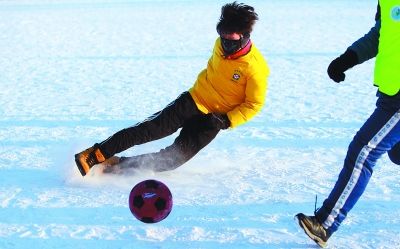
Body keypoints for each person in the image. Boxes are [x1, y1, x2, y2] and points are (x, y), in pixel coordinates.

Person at [74, 2, 269, 176]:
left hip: (214, 120)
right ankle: (94, 154)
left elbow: (254, 104)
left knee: (173, 159)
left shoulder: (255, 68)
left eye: (231, 39)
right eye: (222, 36)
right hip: (192, 101)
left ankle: (115, 166)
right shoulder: (220, 44)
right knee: (146, 131)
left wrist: (226, 120)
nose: (226, 42)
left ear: (245, 36)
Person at [296, 1, 400, 248]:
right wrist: (348, 58)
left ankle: (326, 223)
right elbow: (382, 33)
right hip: (390, 91)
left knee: (363, 152)